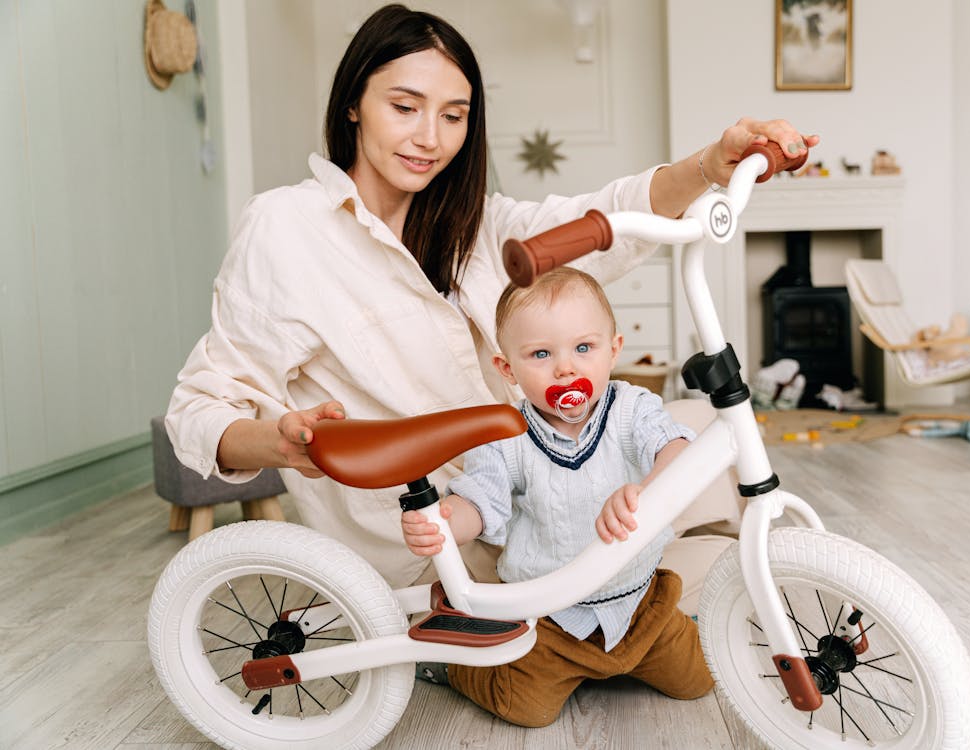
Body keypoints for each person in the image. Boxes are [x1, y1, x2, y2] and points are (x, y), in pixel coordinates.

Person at [165, 3, 819, 594]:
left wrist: (710, 166)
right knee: (694, 566)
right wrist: (279, 441)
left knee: (701, 431)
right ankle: (707, 605)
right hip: (440, 533)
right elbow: (197, 408)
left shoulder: (472, 221)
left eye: (453, 116)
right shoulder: (287, 228)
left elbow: (599, 222)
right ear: (353, 103)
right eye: (405, 106)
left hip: (534, 487)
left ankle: (733, 599)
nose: (431, 137)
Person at [401, 267, 713, 727]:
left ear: (614, 350)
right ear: (508, 369)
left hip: (642, 605)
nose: (566, 367)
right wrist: (445, 523)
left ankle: (664, 645)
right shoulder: (505, 435)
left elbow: (677, 449)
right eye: (541, 354)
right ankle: (455, 666)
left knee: (700, 679)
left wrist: (642, 493)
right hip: (548, 619)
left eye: (584, 348)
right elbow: (482, 501)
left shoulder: (632, 408)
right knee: (525, 710)